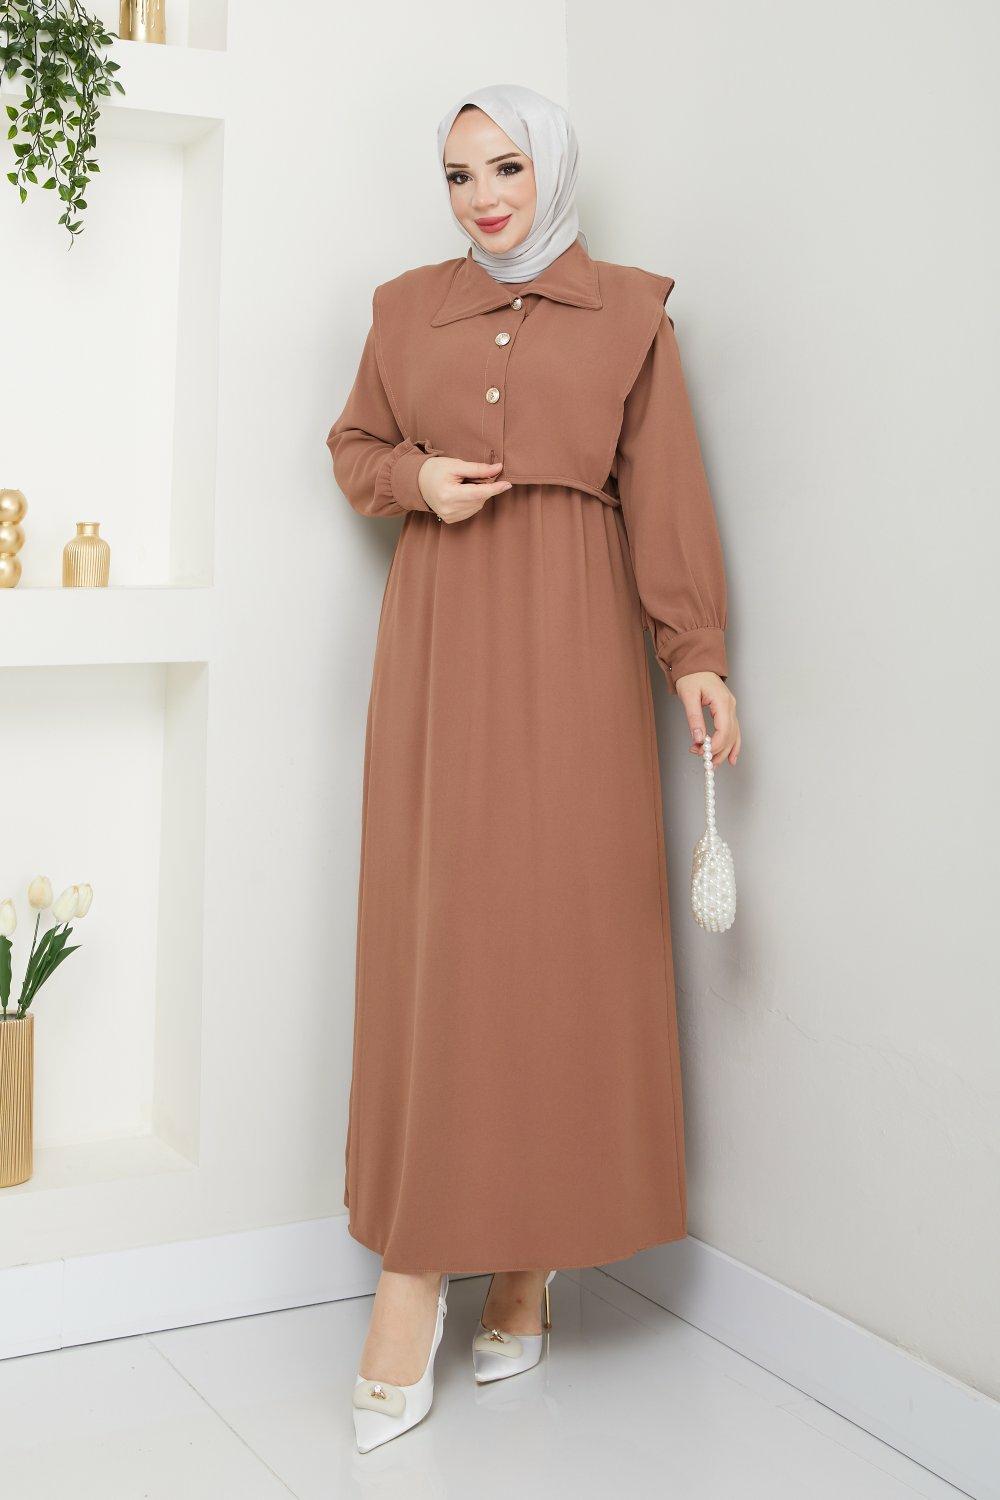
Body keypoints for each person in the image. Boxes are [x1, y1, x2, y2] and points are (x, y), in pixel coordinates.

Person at [326, 82, 741, 1451]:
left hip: (575, 647)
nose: (484, 197)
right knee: (444, 946)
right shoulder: (404, 311)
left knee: (560, 946)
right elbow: (354, 447)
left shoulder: (632, 317)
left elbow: (665, 493)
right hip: (442, 648)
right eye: (459, 175)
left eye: (505, 168)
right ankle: (412, 1278)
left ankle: (523, 1274)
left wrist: (695, 655)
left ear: (550, 169)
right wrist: (416, 482)